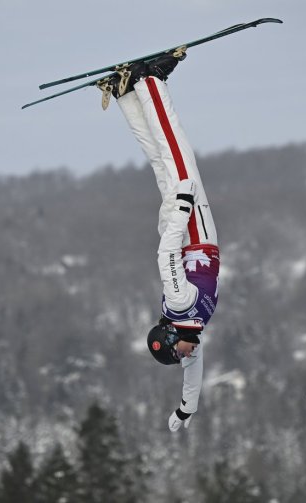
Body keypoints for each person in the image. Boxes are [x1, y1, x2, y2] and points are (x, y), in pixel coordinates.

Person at [106, 52, 220, 432]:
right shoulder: (190, 333)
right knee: (162, 161)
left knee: (177, 155)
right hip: (190, 233)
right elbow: (194, 373)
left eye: (179, 353)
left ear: (171, 336)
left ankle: (149, 82)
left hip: (191, 233)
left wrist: (183, 208)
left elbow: (166, 254)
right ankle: (125, 94)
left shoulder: (179, 304)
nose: (186, 356)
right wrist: (186, 408)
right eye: (181, 357)